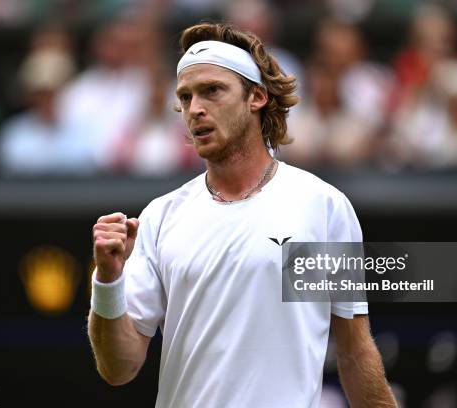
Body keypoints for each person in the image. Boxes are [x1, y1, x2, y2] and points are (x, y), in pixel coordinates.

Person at [87, 22, 396, 407]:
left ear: (257, 97)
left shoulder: (322, 207)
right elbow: (120, 367)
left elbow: (354, 352)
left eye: (212, 91)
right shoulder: (160, 217)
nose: (194, 108)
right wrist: (108, 282)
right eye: (185, 97)